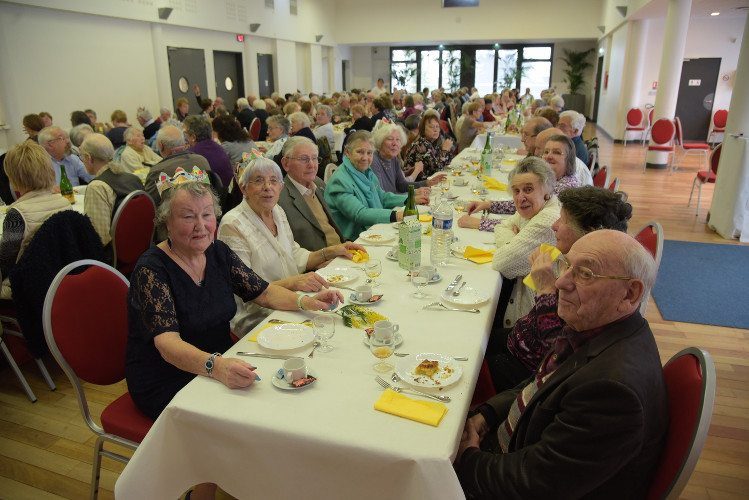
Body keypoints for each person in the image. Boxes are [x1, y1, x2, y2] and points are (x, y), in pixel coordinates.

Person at [456, 230, 666, 499]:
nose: (560, 282)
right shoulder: (595, 329)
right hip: (514, 446)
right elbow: (538, 383)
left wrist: (467, 458)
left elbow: (532, 484)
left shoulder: (612, 391)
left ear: (630, 293)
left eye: (585, 274)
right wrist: (487, 414)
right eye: (566, 266)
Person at [126, 172, 343, 421]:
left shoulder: (217, 252)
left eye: (207, 215)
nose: (201, 226)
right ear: (167, 222)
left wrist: (307, 301)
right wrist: (215, 366)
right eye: (188, 217)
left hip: (223, 359)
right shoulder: (151, 270)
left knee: (286, 401)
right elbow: (167, 345)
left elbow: (263, 292)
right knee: (259, 416)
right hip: (169, 377)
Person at [487, 186, 633, 391]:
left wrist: (546, 290)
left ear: (589, 234)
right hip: (519, 342)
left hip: (526, 371)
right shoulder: (570, 262)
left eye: (563, 221)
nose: (554, 226)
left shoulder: (596, 288)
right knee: (468, 334)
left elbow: (556, 356)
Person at [218, 155, 364, 335]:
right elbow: (246, 294)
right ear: (243, 188)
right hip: (260, 319)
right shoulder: (233, 224)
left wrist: (332, 251)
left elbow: (294, 254)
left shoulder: (277, 211)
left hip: (295, 302)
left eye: (273, 181)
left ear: (281, 187)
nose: (267, 187)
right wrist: (295, 283)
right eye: (258, 181)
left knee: (345, 318)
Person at [492, 157, 561, 328]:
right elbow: (501, 227)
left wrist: (513, 241)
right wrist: (515, 241)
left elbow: (502, 263)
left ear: (548, 190)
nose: (520, 198)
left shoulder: (548, 220)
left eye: (528, 189)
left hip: (532, 322)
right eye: (516, 191)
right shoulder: (534, 211)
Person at [324, 131, 428, 241]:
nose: (365, 158)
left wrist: (410, 200)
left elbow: (383, 198)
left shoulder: (366, 171)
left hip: (373, 230)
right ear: (347, 152)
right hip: (353, 240)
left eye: (369, 153)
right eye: (360, 152)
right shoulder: (340, 180)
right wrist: (395, 215)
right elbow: (359, 213)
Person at [0, 142, 71, 299]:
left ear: (13, 178)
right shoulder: (64, 203)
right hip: (59, 277)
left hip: (27, 285)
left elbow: (6, 263)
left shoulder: (16, 214)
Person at [79, 134, 144, 249]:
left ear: (88, 158)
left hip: (114, 257)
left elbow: (99, 239)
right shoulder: (133, 178)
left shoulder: (97, 187)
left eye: (82, 157)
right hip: (140, 248)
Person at [145, 126, 213, 205]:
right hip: (205, 211)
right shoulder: (202, 161)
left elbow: (150, 205)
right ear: (184, 142)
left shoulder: (158, 171)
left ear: (161, 146)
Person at [371, 122, 445, 194]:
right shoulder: (374, 161)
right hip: (386, 205)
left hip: (395, 202)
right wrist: (414, 194)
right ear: (380, 141)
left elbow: (402, 185)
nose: (395, 143)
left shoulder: (393, 159)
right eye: (390, 139)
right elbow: (382, 196)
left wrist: (427, 183)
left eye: (397, 139)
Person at [403, 111, 454, 180]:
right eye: (432, 127)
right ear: (423, 129)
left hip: (429, 180)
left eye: (437, 126)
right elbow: (438, 169)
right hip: (417, 185)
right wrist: (445, 150)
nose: (436, 130)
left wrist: (447, 150)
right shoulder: (421, 145)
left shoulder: (432, 142)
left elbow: (447, 163)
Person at [184, 115, 233, 187]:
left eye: (185, 133)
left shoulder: (190, 155)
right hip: (227, 193)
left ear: (193, 137)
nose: (185, 136)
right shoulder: (220, 148)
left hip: (212, 195)